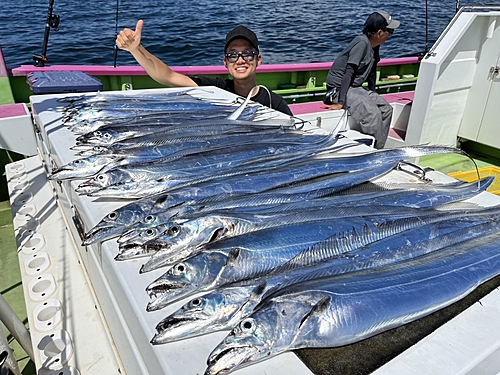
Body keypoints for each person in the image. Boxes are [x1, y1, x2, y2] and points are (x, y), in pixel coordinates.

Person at [116, 21, 293, 116]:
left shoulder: (274, 102)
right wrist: (136, 49)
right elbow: (168, 76)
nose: (240, 60)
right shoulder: (215, 90)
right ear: (225, 62)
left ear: (258, 59)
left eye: (247, 53)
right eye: (232, 55)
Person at [322, 10, 400, 148]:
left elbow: (371, 72)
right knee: (373, 113)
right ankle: (371, 154)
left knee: (386, 110)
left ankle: (379, 148)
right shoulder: (361, 43)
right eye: (390, 32)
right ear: (380, 32)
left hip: (356, 88)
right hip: (339, 89)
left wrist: (372, 93)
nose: (390, 35)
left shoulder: (375, 47)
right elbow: (349, 72)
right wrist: (341, 102)